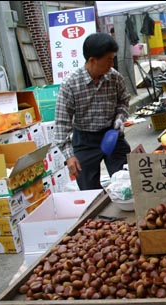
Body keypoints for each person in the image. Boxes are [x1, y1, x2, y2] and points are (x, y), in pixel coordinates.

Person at [53, 32, 131, 190]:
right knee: (89, 190)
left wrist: (120, 117)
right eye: (108, 59)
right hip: (85, 140)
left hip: (112, 134)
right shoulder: (71, 84)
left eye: (112, 59)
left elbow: (123, 101)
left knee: (127, 181)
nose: (112, 63)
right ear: (92, 60)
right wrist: (69, 156)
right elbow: (62, 124)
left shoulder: (115, 78)